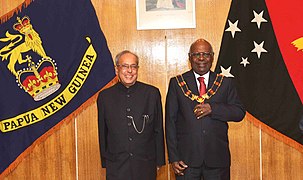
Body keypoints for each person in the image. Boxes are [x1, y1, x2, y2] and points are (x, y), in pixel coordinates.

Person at [165, 39, 246, 180]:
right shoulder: (177, 83)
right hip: (186, 161)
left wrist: (213, 109)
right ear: (190, 57)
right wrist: (174, 157)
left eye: (206, 54)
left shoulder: (225, 83)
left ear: (212, 57)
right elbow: (170, 122)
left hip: (217, 159)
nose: (201, 58)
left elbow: (239, 112)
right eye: (196, 54)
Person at [97, 50, 165, 180]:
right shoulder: (105, 97)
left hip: (145, 164)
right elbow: (103, 132)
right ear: (117, 69)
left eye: (133, 66)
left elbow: (158, 130)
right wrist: (105, 161)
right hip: (116, 165)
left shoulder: (152, 93)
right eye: (125, 66)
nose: (130, 71)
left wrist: (159, 161)